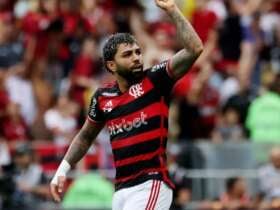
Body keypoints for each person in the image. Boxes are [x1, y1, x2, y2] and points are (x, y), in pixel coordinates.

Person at [50, 0, 203, 209]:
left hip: (151, 184)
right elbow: (85, 137)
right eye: (128, 54)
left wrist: (172, 11)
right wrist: (62, 170)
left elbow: (194, 48)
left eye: (138, 52)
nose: (137, 58)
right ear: (111, 65)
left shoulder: (156, 80)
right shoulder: (102, 97)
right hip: (121, 190)